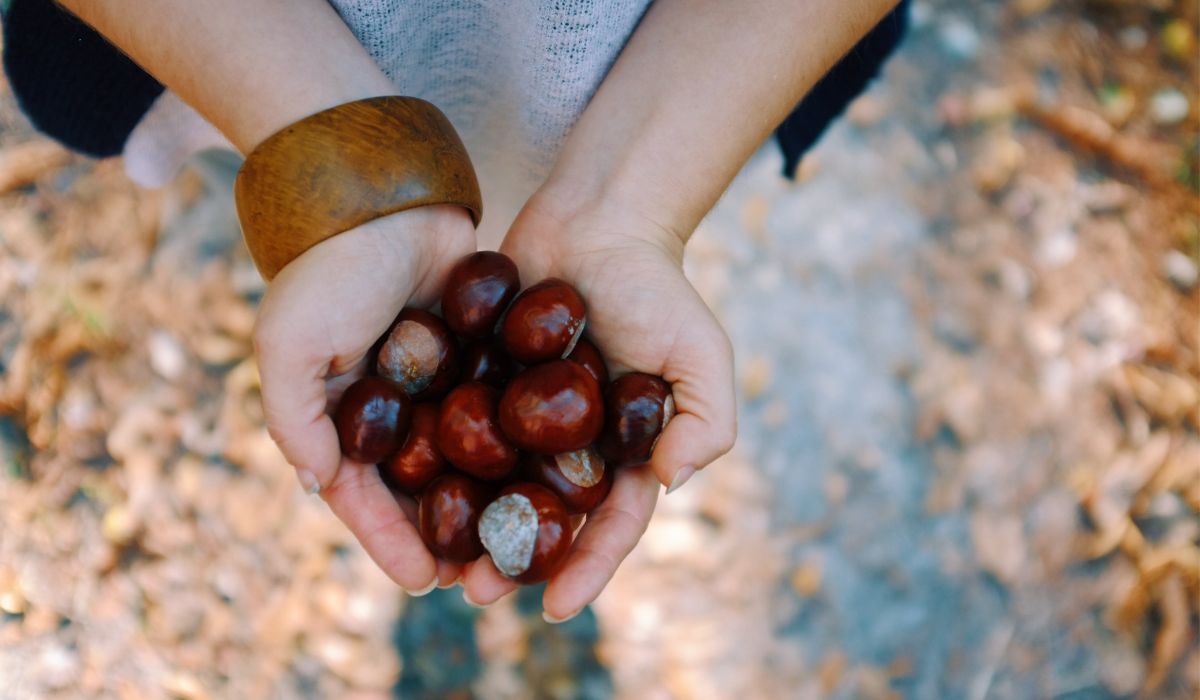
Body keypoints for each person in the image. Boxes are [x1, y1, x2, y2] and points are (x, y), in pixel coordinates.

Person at [2, 0, 908, 622]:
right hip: (243, 41)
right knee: (335, 242)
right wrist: (331, 161)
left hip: (677, 68)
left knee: (513, 216)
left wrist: (637, 202)